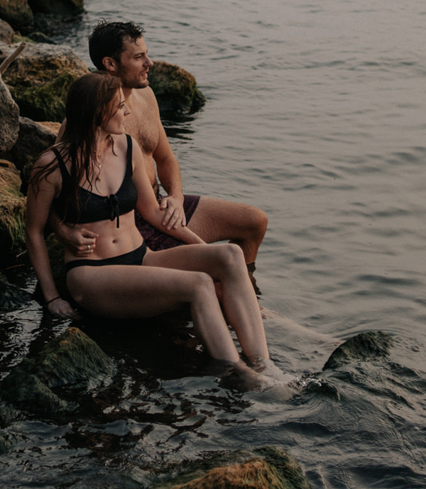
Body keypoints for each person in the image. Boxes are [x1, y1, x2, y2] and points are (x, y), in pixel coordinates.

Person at [25, 70, 278, 381]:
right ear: (96, 113)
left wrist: (198, 243)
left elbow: (153, 213)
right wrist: (52, 297)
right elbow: (34, 232)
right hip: (92, 274)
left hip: (142, 256)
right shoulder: (51, 165)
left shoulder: (127, 147)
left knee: (229, 256)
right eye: (119, 106)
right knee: (198, 285)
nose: (127, 111)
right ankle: (239, 374)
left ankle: (264, 364)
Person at [83, 19, 270, 283]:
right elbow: (58, 183)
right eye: (139, 57)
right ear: (110, 64)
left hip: (160, 205)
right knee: (210, 275)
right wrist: (65, 231)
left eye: (147, 54)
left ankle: (247, 289)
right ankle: (236, 299)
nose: (150, 63)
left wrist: (176, 197)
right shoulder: (90, 114)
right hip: (128, 223)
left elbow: (165, 157)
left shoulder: (146, 95)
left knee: (254, 221)